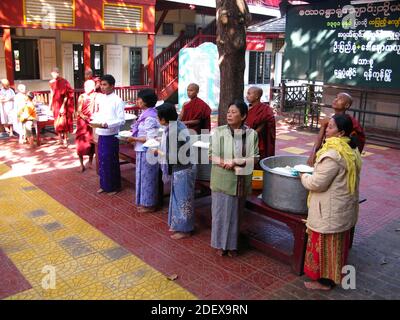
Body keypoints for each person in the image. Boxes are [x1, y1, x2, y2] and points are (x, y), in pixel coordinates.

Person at [300, 114, 362, 291]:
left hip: (329, 211)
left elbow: (316, 183)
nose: (327, 130)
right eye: (327, 126)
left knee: (324, 247)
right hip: (342, 208)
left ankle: (324, 282)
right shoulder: (351, 148)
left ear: (341, 132)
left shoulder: (334, 154)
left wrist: (303, 176)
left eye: (331, 127)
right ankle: (333, 278)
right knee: (336, 247)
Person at [209, 100, 259, 257]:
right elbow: (211, 155)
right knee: (219, 213)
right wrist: (224, 162)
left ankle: (231, 245)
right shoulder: (219, 132)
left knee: (235, 214)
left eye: (234, 112)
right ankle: (219, 244)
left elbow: (255, 157)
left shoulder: (252, 134)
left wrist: (237, 162)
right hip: (221, 179)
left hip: (240, 181)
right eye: (228, 112)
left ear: (243, 116)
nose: (229, 115)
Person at [156, 102, 197, 239]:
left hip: (183, 169)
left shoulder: (174, 131)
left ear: (163, 119)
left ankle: (185, 229)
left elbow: (175, 157)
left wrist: (159, 153)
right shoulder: (178, 125)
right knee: (180, 197)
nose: (157, 119)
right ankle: (180, 225)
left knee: (183, 199)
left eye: (158, 117)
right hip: (185, 167)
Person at [307, 92, 366, 166]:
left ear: (347, 105)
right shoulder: (330, 119)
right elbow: (320, 138)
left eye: (340, 99)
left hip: (340, 157)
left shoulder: (349, 122)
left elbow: (357, 142)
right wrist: (313, 154)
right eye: (336, 97)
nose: (335, 100)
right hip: (328, 152)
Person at [127, 88, 160, 213]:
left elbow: (150, 138)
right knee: (142, 176)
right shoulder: (145, 113)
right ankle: (144, 201)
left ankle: (150, 204)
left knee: (148, 177)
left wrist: (133, 138)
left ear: (145, 101)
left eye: (139, 98)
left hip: (148, 150)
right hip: (141, 149)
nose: (137, 101)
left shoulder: (150, 117)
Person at [91, 74, 125, 195]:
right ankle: (104, 185)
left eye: (105, 85)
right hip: (101, 133)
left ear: (112, 86)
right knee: (102, 160)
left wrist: (107, 125)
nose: (102, 87)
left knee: (111, 160)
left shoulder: (118, 100)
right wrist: (94, 120)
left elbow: (121, 120)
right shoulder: (101, 98)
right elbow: (100, 114)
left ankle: (114, 186)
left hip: (111, 134)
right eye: (101, 84)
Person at [245, 86, 276, 161]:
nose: (247, 96)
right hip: (246, 139)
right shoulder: (247, 108)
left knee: (259, 163)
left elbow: (266, 123)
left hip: (259, 141)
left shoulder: (265, 110)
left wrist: (251, 134)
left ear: (257, 96)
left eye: (249, 94)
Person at [49, 67, 74, 147]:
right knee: (57, 121)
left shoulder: (64, 82)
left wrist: (63, 106)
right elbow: (51, 93)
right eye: (53, 73)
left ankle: (65, 140)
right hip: (55, 104)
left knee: (63, 122)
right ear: (51, 73)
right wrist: (50, 104)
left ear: (58, 73)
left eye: (56, 72)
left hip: (62, 104)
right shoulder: (51, 82)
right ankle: (59, 138)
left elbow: (67, 95)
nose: (55, 74)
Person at [76, 79, 97, 173]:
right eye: (85, 86)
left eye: (88, 86)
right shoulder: (82, 96)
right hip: (83, 122)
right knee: (80, 144)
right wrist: (84, 117)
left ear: (93, 87)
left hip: (92, 121)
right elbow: (79, 111)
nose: (86, 88)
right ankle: (81, 164)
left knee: (91, 142)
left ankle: (90, 162)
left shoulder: (96, 96)